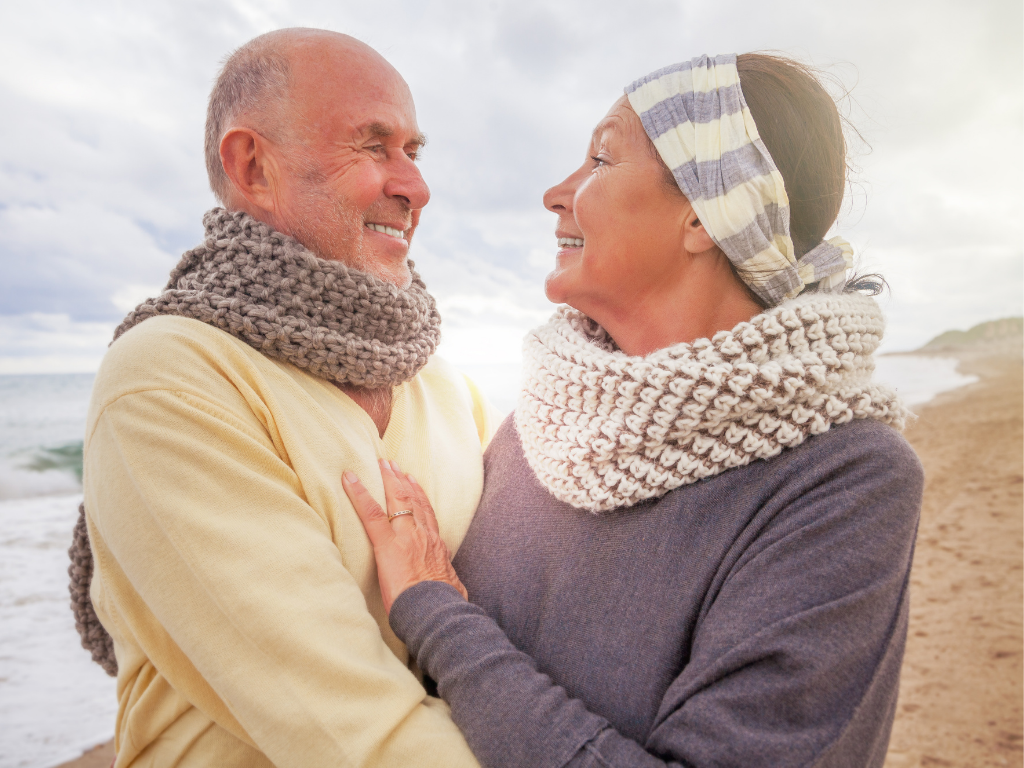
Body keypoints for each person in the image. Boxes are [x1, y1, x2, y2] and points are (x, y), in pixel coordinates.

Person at [345, 53, 923, 767]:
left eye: (600, 158)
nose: (557, 193)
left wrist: (436, 610)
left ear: (708, 213)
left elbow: (444, 639)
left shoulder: (842, 478)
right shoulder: (545, 424)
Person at [70, 28, 500, 767]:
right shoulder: (170, 375)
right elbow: (351, 731)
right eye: (373, 146)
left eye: (414, 150)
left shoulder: (444, 385)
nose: (414, 186)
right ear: (252, 165)